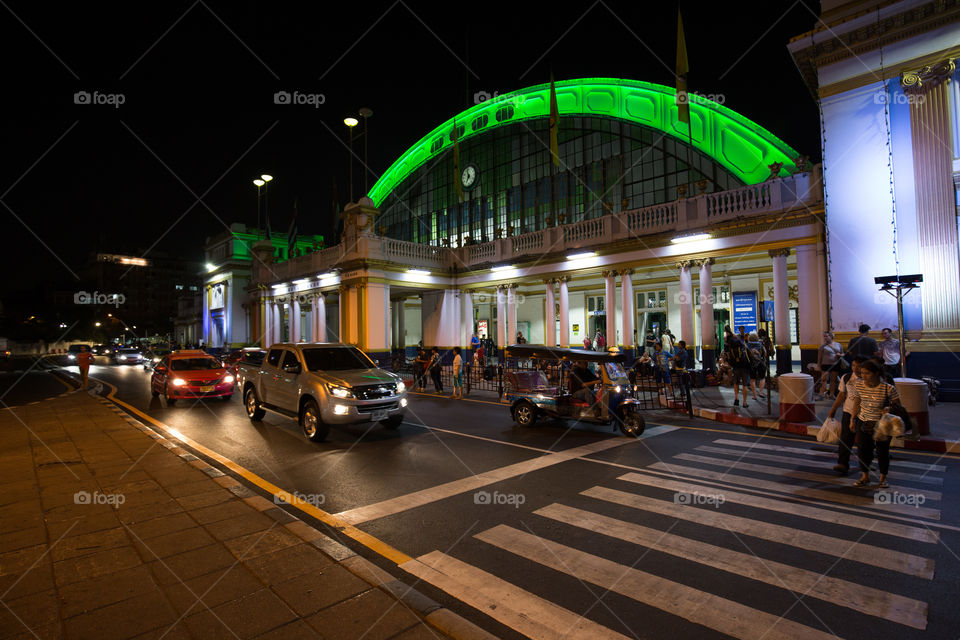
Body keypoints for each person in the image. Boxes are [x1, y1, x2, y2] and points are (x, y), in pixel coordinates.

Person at [848, 359, 901, 488]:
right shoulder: (859, 385)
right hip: (863, 421)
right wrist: (852, 419)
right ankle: (865, 476)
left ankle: (883, 477)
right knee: (863, 450)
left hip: (882, 424)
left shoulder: (888, 388)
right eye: (861, 373)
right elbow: (857, 402)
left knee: (882, 451)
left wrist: (889, 409)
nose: (863, 376)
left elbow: (898, 405)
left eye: (866, 373)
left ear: (876, 373)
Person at [828, 355, 867, 474]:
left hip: (865, 415)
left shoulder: (868, 379)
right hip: (848, 412)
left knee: (864, 441)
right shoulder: (847, 378)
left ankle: (866, 464)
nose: (856, 368)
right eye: (854, 365)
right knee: (845, 439)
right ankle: (843, 463)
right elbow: (841, 395)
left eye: (859, 366)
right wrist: (833, 409)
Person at [724, 328, 751, 408]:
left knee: (736, 383)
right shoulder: (744, 346)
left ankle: (736, 398)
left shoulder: (731, 348)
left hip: (736, 367)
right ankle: (744, 402)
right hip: (745, 367)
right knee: (744, 384)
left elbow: (728, 358)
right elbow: (750, 356)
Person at [817, 331, 844, 399]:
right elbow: (819, 357)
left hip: (835, 364)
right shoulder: (822, 346)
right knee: (824, 379)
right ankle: (821, 394)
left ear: (831, 336)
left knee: (833, 380)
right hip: (825, 364)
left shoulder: (838, 345)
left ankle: (831, 394)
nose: (825, 338)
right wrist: (819, 365)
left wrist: (840, 355)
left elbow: (843, 353)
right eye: (824, 336)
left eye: (827, 336)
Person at [746, 331, 767, 400]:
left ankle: (754, 395)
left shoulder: (747, 345)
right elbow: (765, 354)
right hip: (760, 363)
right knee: (762, 378)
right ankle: (760, 392)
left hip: (751, 364)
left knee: (752, 379)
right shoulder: (760, 345)